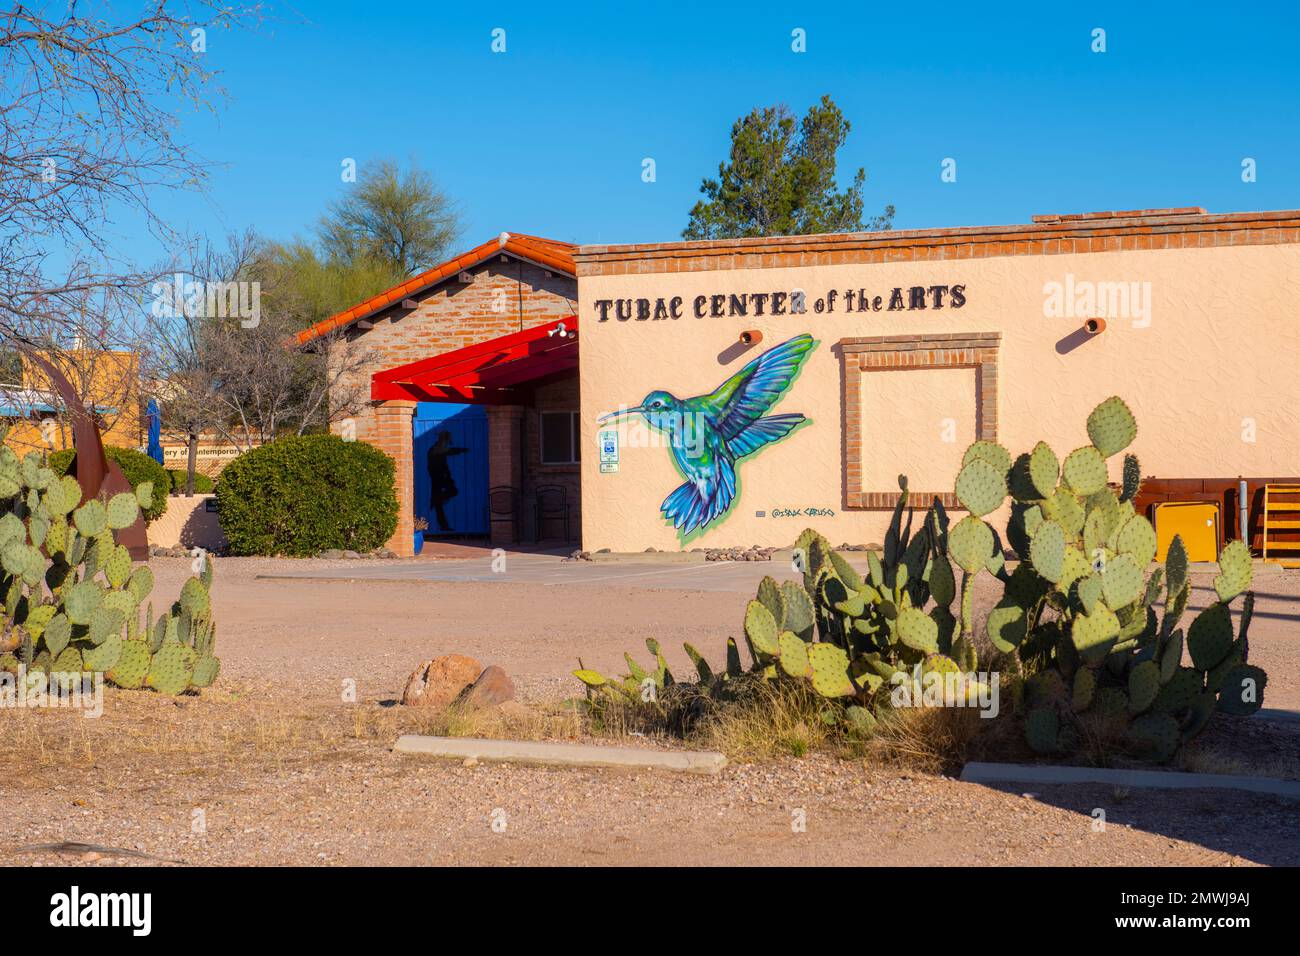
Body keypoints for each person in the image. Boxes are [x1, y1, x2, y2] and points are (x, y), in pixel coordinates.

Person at [426, 431, 467, 532]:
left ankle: (443, 524)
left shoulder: (437, 448)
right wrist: (463, 450)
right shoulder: (436, 449)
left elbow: (448, 451)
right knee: (449, 495)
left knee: (439, 502)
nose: (449, 440)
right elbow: (448, 451)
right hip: (439, 478)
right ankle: (443, 524)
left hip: (441, 478)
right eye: (448, 438)